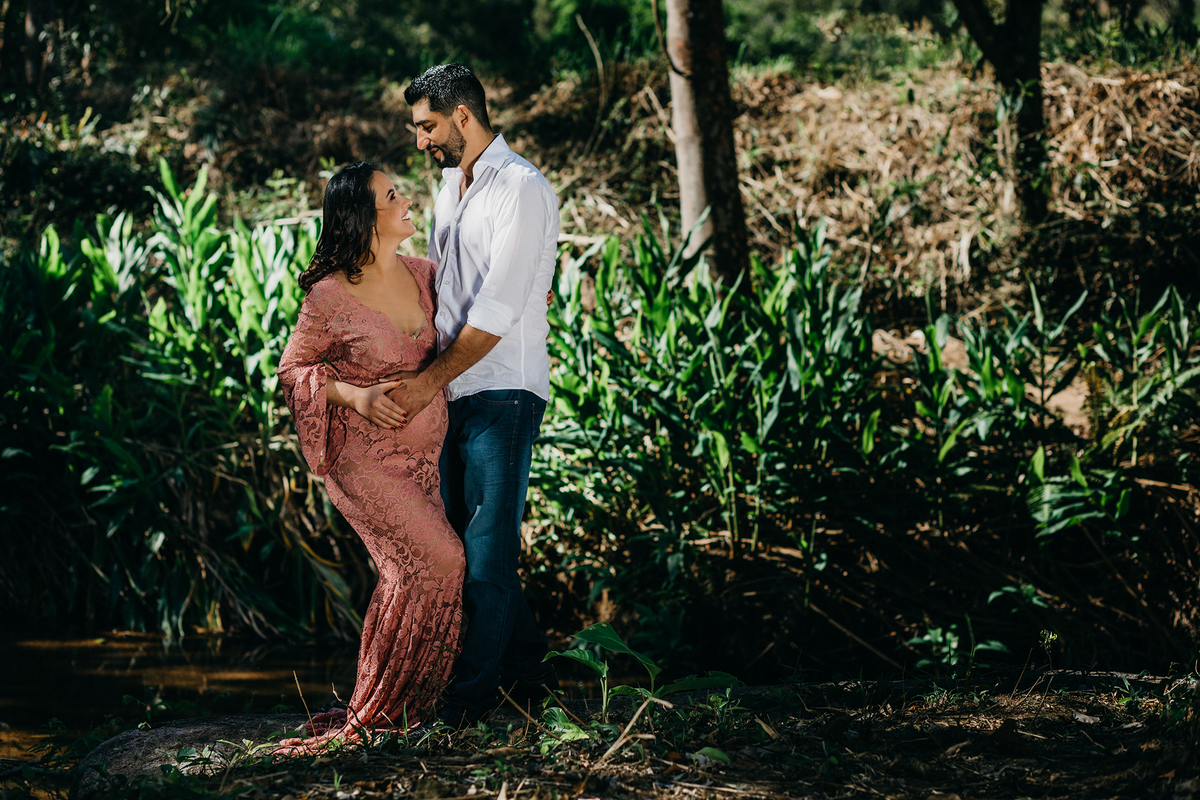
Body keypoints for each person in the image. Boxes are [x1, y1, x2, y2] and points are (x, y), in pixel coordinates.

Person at [392, 63, 560, 724]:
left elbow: (494, 311)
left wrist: (425, 385)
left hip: (503, 390)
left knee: (487, 551)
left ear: (463, 115)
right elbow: (446, 293)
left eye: (427, 126)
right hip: (455, 389)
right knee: (463, 550)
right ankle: (532, 681)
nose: (420, 141)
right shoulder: (448, 190)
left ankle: (465, 708)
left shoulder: (520, 187)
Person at [276, 161, 465, 748]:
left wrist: (528, 291)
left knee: (412, 571)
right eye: (392, 194)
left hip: (423, 462)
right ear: (364, 215)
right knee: (441, 559)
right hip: (364, 462)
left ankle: (406, 705)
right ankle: (386, 706)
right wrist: (354, 395)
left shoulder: (425, 273)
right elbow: (292, 371)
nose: (406, 200)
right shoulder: (330, 295)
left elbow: (480, 310)